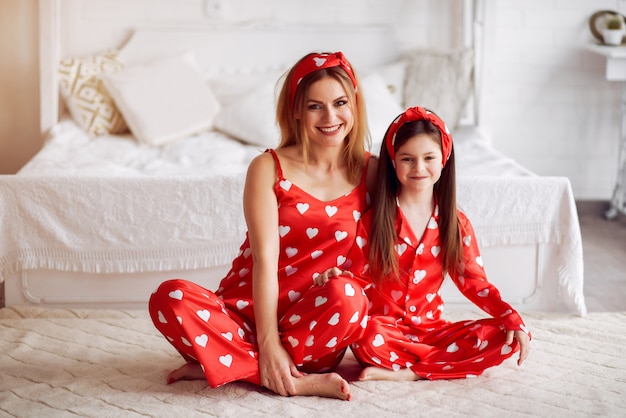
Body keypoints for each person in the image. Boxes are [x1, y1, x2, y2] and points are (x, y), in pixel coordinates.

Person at [148, 51, 377, 401]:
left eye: (340, 102)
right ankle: (288, 378)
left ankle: (226, 365)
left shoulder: (373, 172)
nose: (330, 117)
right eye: (315, 106)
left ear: (355, 104)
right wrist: (268, 342)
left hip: (314, 327)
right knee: (170, 297)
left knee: (350, 298)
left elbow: (403, 241)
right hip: (244, 319)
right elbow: (265, 261)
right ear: (296, 110)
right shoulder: (267, 167)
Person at [318, 106, 531, 381]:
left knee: (506, 336)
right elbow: (357, 280)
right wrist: (337, 279)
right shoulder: (374, 222)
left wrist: (511, 316)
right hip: (384, 332)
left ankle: (410, 373)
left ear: (443, 160)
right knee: (365, 335)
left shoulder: (456, 224)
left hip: (433, 331)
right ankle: (436, 366)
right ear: (394, 163)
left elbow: (474, 282)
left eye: (429, 157)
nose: (419, 168)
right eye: (407, 159)